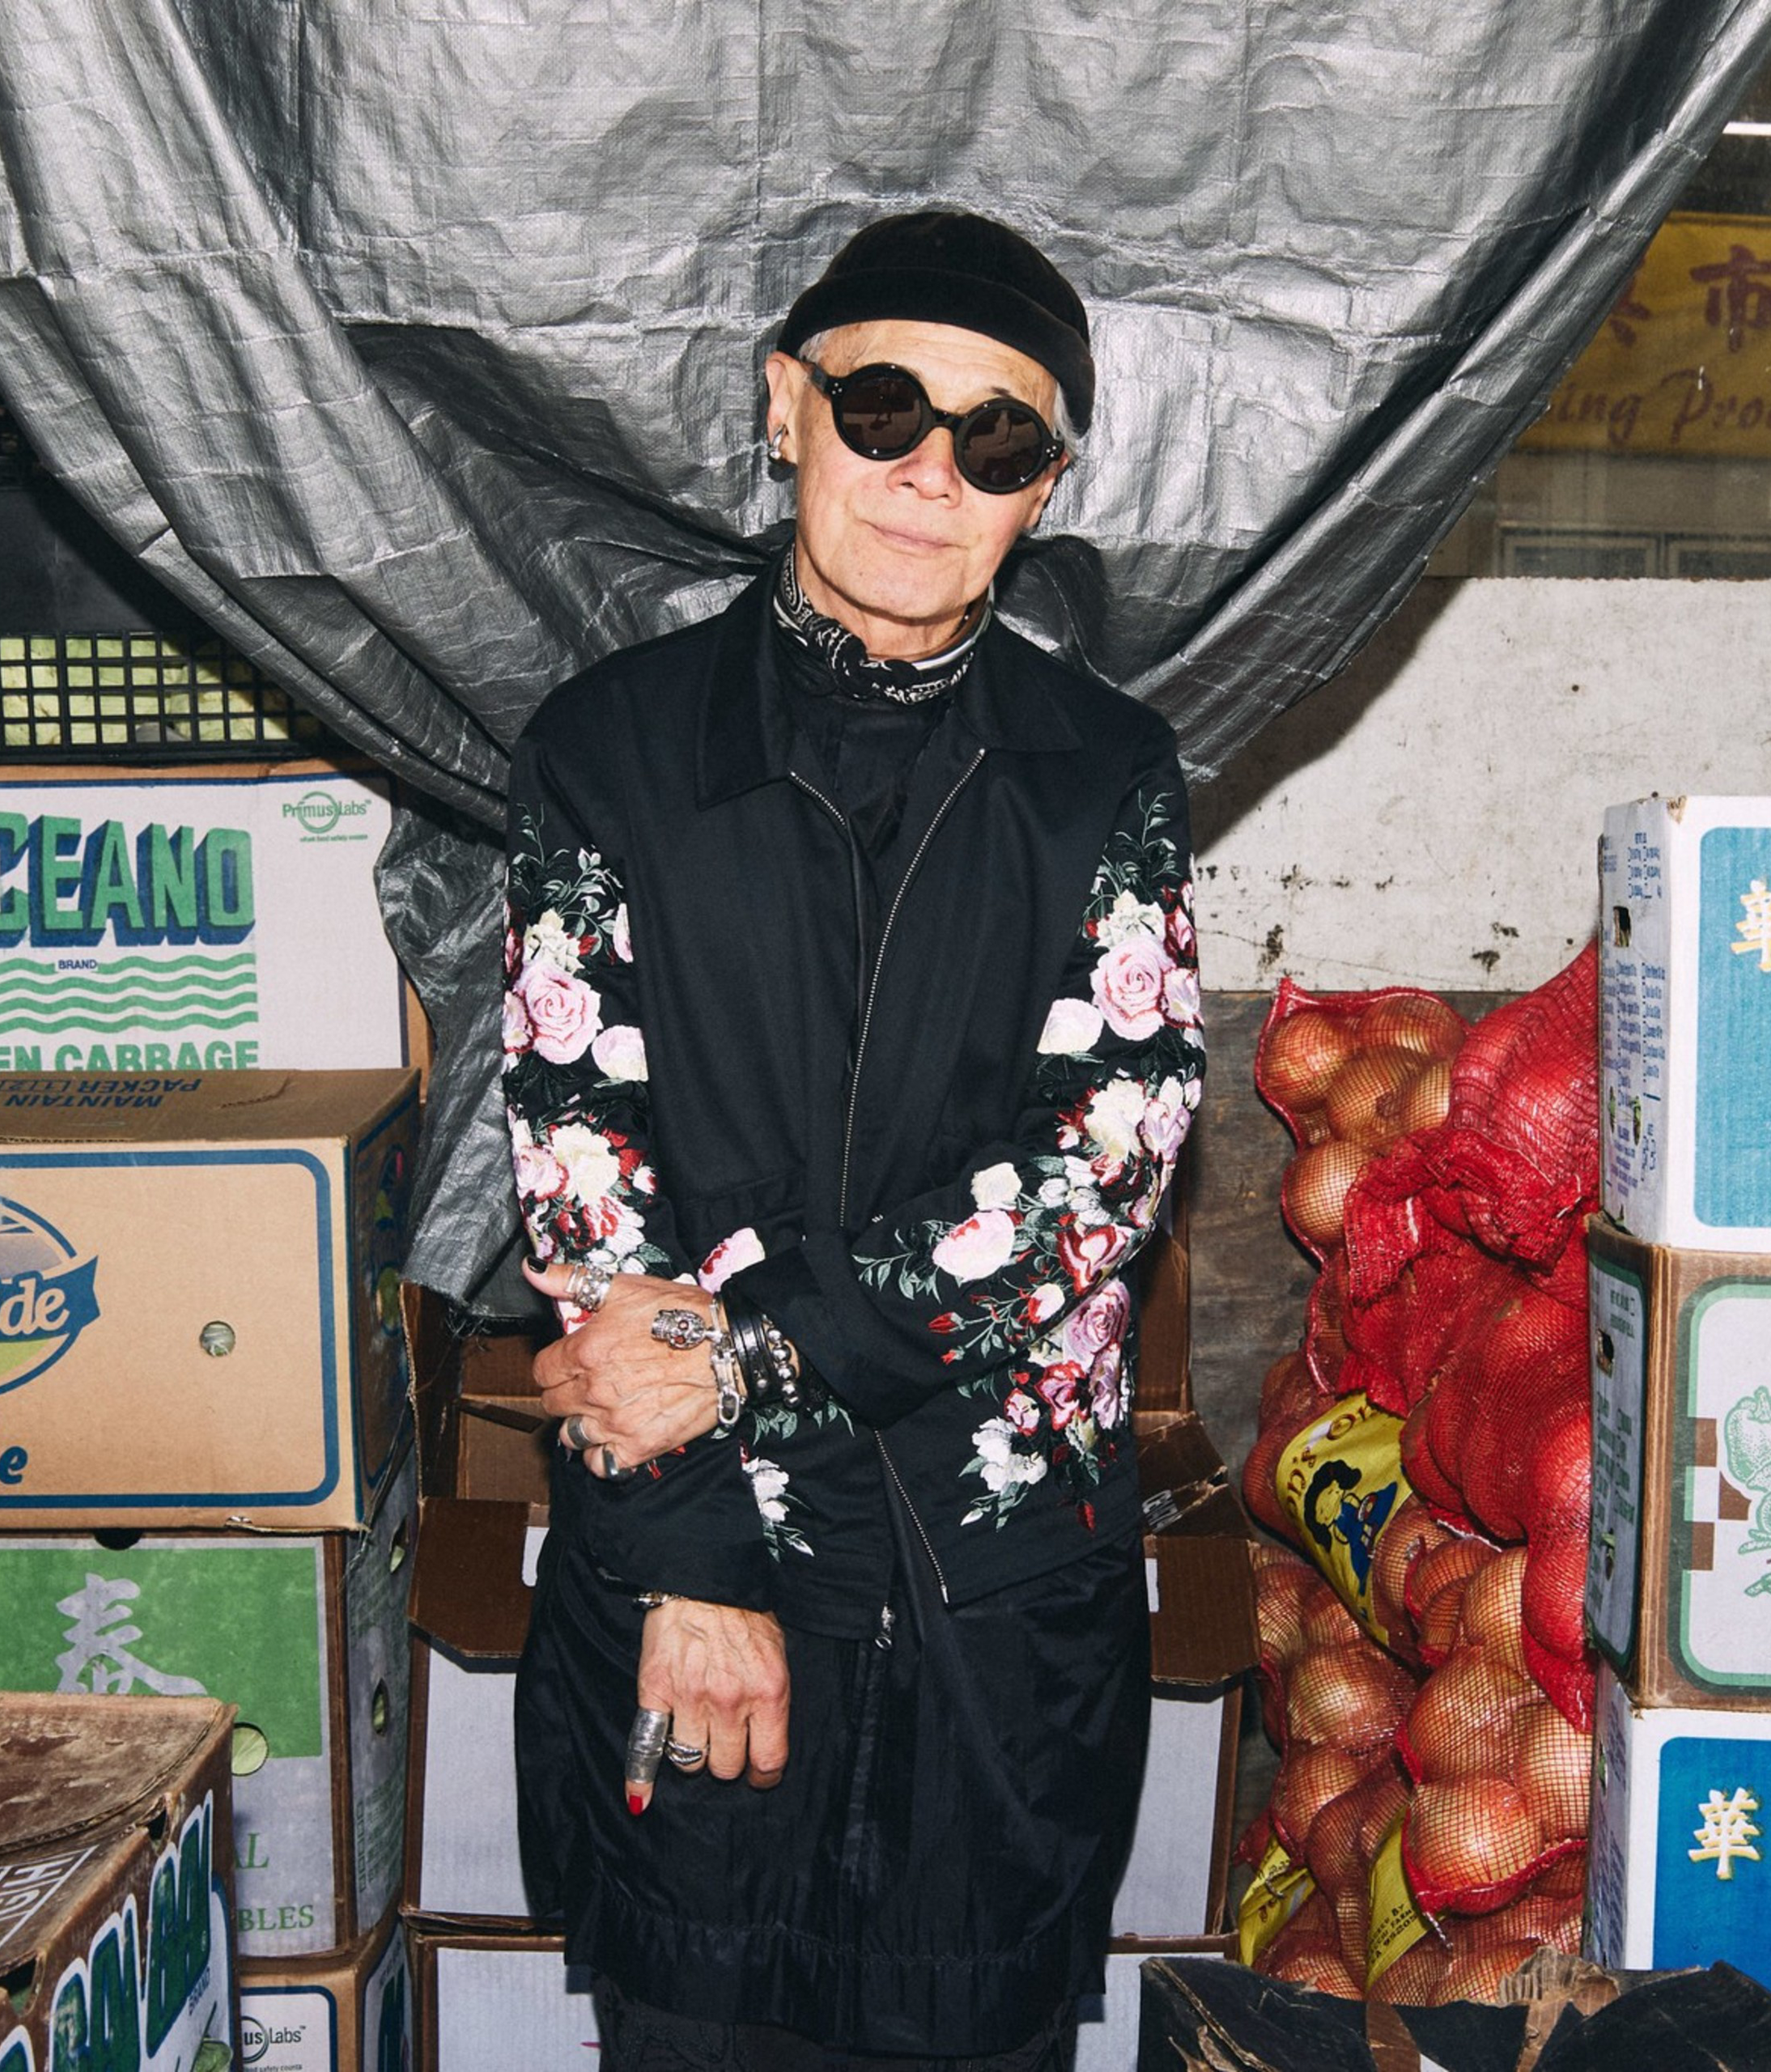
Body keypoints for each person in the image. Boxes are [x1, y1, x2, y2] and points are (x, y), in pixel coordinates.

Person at [502, 208, 1204, 2070]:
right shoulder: (610, 754)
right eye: (883, 407)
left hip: (995, 1626)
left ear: (1042, 488)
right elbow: (583, 1187)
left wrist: (743, 1345)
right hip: (703, 1589)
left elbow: (1100, 1171)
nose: (926, 472)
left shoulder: (1102, 775)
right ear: (783, 409)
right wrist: (691, 1560)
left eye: (996, 438)